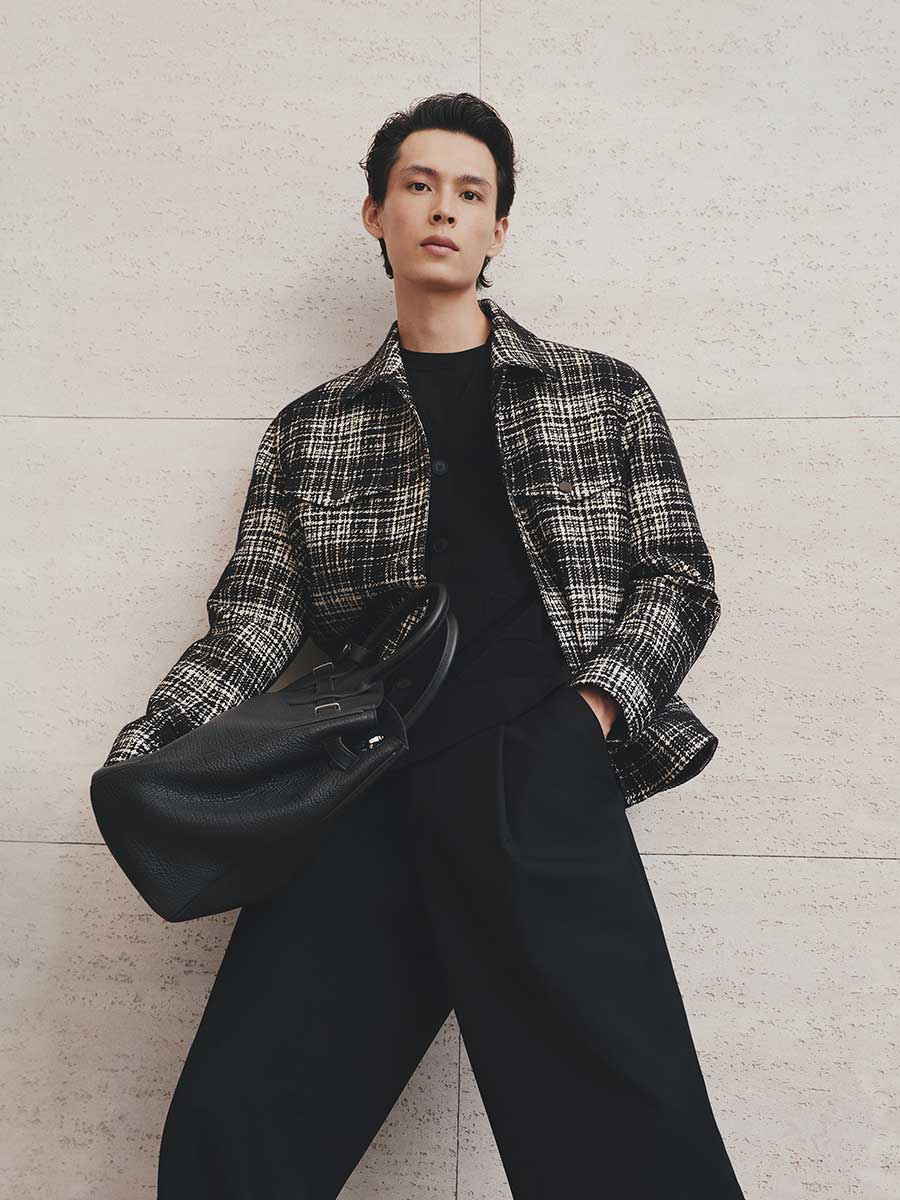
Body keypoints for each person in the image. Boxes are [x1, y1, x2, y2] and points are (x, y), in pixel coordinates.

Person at [105, 92, 746, 1198]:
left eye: (470, 192)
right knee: (236, 1129)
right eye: (418, 185)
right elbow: (256, 623)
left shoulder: (602, 394)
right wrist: (152, 750)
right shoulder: (311, 430)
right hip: (366, 786)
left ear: (499, 229)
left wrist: (582, 720)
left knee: (630, 1148)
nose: (443, 209)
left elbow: (678, 582)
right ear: (376, 215)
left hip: (538, 783)